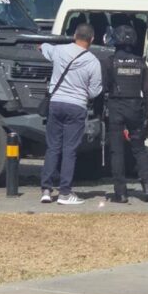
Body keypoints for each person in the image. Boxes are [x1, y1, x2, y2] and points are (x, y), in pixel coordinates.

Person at [39, 23, 102, 205]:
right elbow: (95, 91)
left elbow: (44, 47)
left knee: (53, 147)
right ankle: (65, 192)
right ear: (92, 40)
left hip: (56, 103)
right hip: (76, 107)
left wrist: (42, 45)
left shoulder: (59, 51)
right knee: (69, 150)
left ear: (75, 35)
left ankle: (46, 189)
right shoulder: (93, 62)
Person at [101, 25, 148, 203]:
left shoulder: (110, 62)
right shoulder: (141, 62)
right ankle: (147, 187)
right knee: (139, 149)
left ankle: (121, 193)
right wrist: (147, 114)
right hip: (136, 107)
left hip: (116, 107)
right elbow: (147, 91)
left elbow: (103, 87)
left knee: (117, 152)